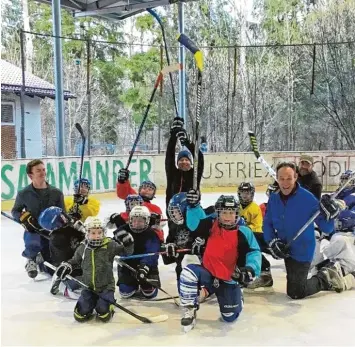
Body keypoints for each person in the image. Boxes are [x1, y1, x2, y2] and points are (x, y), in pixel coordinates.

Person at [178, 195, 261, 332]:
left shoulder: (244, 232)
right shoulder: (211, 224)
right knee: (188, 273)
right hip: (208, 273)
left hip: (229, 278)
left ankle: (232, 295)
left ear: (236, 213)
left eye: (231, 212)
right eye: (223, 212)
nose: (227, 216)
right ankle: (189, 309)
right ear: (218, 213)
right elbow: (194, 224)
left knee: (229, 317)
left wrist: (250, 269)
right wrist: (194, 207)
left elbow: (254, 252)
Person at [263, 162, 346, 299]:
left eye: (289, 178)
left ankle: (326, 277)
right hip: (282, 245)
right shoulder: (274, 198)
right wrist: (272, 242)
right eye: (281, 178)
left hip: (300, 251)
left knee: (296, 292)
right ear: (277, 178)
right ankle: (262, 272)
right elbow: (267, 224)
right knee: (250, 238)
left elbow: (327, 228)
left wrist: (331, 215)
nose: (285, 183)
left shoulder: (307, 199)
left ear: (296, 177)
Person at [53, 216, 134, 322]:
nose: (96, 236)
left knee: (103, 314)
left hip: (106, 287)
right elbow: (74, 261)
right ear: (87, 233)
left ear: (103, 233)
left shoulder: (110, 245)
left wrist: (128, 244)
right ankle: (88, 304)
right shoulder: (82, 247)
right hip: (88, 287)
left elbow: (126, 253)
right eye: (93, 233)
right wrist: (66, 266)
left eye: (99, 233)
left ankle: (108, 303)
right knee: (80, 315)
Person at [11, 159, 64, 278]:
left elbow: (62, 213)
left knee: (51, 269)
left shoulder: (56, 193)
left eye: (44, 169)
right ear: (31, 175)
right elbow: (15, 211)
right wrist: (24, 218)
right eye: (38, 170)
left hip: (51, 232)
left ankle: (42, 260)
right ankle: (31, 258)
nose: (43, 172)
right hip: (33, 229)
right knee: (32, 238)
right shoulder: (23, 193)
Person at [113, 206, 161, 300]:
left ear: (146, 221)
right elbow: (112, 245)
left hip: (146, 267)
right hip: (128, 266)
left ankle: (144, 284)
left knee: (149, 293)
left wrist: (145, 266)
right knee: (125, 292)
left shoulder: (151, 234)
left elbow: (152, 253)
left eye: (140, 221)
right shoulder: (122, 231)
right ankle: (132, 283)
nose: (136, 223)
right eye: (134, 220)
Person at [237, 182, 272, 289]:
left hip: (253, 236)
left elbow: (257, 227)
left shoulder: (255, 208)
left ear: (252, 194)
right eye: (243, 193)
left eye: (247, 193)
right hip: (240, 236)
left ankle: (265, 270)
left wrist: (243, 229)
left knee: (253, 250)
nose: (245, 196)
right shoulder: (236, 206)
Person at [311, 209, 355, 292]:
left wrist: (317, 240)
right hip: (351, 267)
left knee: (318, 269)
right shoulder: (349, 236)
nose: (335, 224)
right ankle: (345, 281)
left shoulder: (339, 238)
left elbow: (327, 253)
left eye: (338, 222)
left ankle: (331, 280)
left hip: (341, 267)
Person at [165, 116, 204, 209]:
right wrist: (174, 136)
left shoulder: (195, 174)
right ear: (177, 163)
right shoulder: (173, 173)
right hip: (174, 214)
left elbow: (200, 157)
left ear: (191, 162)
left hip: (192, 212)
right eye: (181, 160)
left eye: (186, 160)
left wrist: (187, 142)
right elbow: (169, 156)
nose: (184, 162)